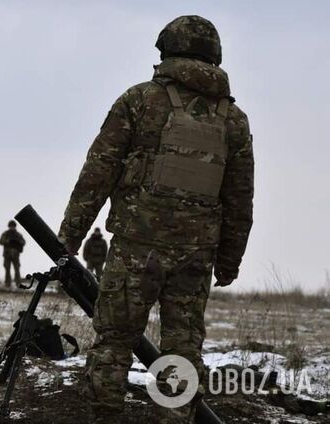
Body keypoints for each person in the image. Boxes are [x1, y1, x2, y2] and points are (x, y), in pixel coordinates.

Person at [58, 16, 254, 423]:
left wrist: (70, 235)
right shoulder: (233, 120)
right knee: (183, 350)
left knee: (113, 342)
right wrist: (230, 259)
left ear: (167, 50)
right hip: (196, 256)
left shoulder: (139, 100)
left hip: (135, 247)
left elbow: (99, 171)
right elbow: (239, 197)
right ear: (214, 55)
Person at [0, 220, 25, 287]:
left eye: (13, 226)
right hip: (7, 254)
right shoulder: (5, 234)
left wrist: (18, 242)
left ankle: (18, 283)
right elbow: (1, 241)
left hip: (15, 254)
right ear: (9, 226)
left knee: (17, 269)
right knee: (7, 269)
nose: (12, 227)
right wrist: (7, 241)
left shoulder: (18, 235)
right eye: (11, 226)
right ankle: (8, 283)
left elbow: (23, 242)